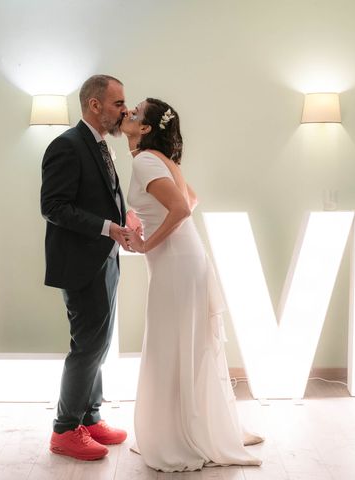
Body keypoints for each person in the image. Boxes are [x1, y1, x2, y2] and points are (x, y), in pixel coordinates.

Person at [121, 98, 263, 472]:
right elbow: (192, 199)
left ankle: (178, 436)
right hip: (185, 258)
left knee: (172, 343)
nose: (127, 114)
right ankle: (197, 427)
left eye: (134, 113)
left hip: (174, 262)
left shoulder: (144, 161)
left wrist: (147, 241)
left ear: (147, 129)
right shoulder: (158, 160)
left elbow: (183, 208)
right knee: (183, 342)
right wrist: (145, 218)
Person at [40, 74, 136, 461]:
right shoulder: (66, 145)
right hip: (80, 263)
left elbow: (103, 197)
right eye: (118, 104)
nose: (125, 110)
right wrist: (107, 228)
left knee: (100, 344)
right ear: (94, 105)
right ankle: (65, 429)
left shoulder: (99, 144)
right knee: (87, 346)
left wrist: (123, 219)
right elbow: (53, 207)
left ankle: (91, 417)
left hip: (105, 259)